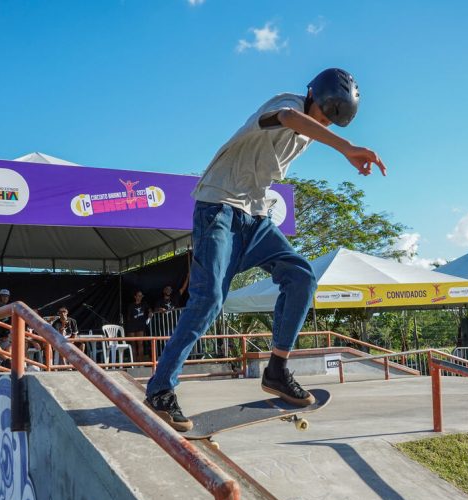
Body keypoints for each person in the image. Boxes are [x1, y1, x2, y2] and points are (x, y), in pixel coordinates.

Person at [145, 68, 385, 431]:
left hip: (255, 218)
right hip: (217, 209)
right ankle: (161, 389)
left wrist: (337, 140)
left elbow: (304, 130)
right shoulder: (287, 104)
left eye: (329, 123)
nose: (321, 124)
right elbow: (291, 119)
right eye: (319, 115)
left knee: (301, 276)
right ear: (311, 98)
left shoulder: (310, 131)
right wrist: (346, 149)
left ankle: (276, 369)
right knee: (209, 299)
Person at [125, 290, 151, 360]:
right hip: (132, 326)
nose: (140, 297)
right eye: (138, 296)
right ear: (135, 296)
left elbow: (149, 309)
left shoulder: (144, 304)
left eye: (141, 296)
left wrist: (150, 313)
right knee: (133, 344)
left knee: (140, 344)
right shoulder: (131, 305)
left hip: (140, 325)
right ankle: (134, 362)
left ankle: (141, 363)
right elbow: (128, 317)